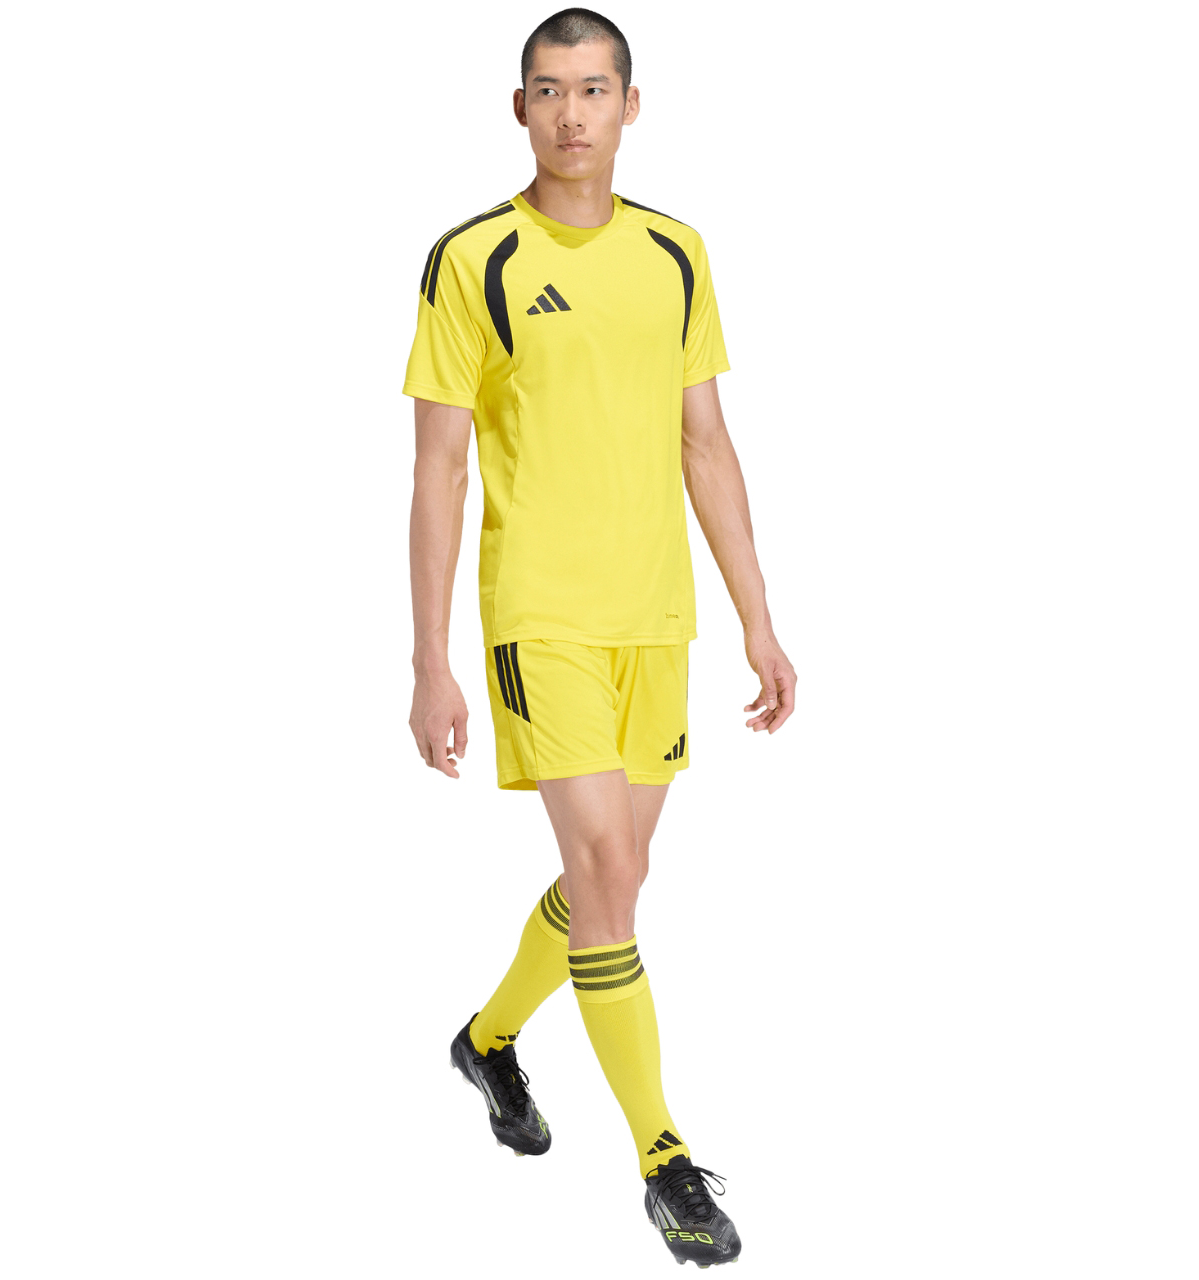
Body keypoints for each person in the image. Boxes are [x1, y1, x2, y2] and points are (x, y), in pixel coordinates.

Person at [404, 8, 794, 1268]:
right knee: (612, 877)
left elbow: (705, 443)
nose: (570, 112)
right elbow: (438, 467)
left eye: (592, 88)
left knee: (610, 883)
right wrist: (429, 658)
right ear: (516, 107)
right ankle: (663, 1159)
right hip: (541, 616)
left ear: (632, 105)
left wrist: (758, 618)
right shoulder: (473, 259)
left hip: (654, 616)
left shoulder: (677, 252)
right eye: (547, 89)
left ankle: (487, 1038)